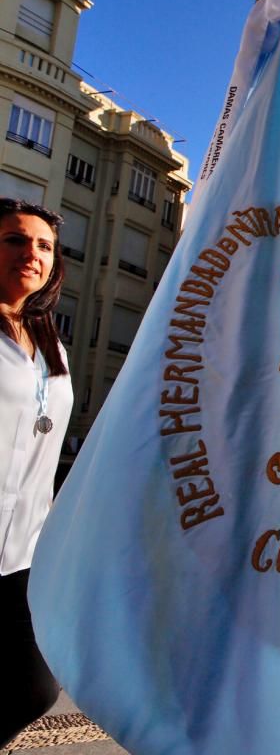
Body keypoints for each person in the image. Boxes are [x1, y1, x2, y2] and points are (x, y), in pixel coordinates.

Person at [0, 198, 72, 748]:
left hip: (26, 553)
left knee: (34, 687)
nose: (32, 253)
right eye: (15, 240)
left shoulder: (51, 343)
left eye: (43, 245)